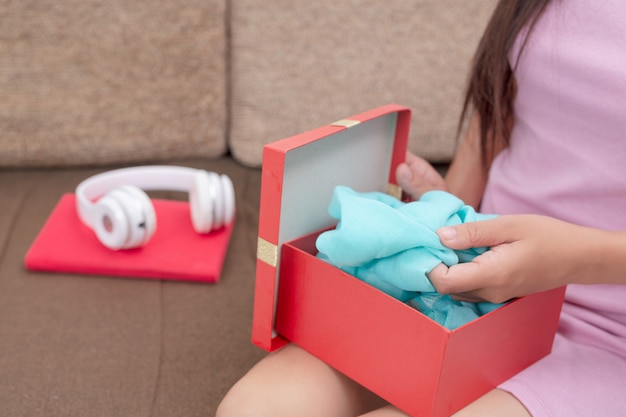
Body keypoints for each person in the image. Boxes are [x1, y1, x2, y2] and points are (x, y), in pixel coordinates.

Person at [217, 0, 626, 415]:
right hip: (473, 291)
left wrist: (570, 260)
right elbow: (493, 121)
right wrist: (446, 209)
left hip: (608, 333)